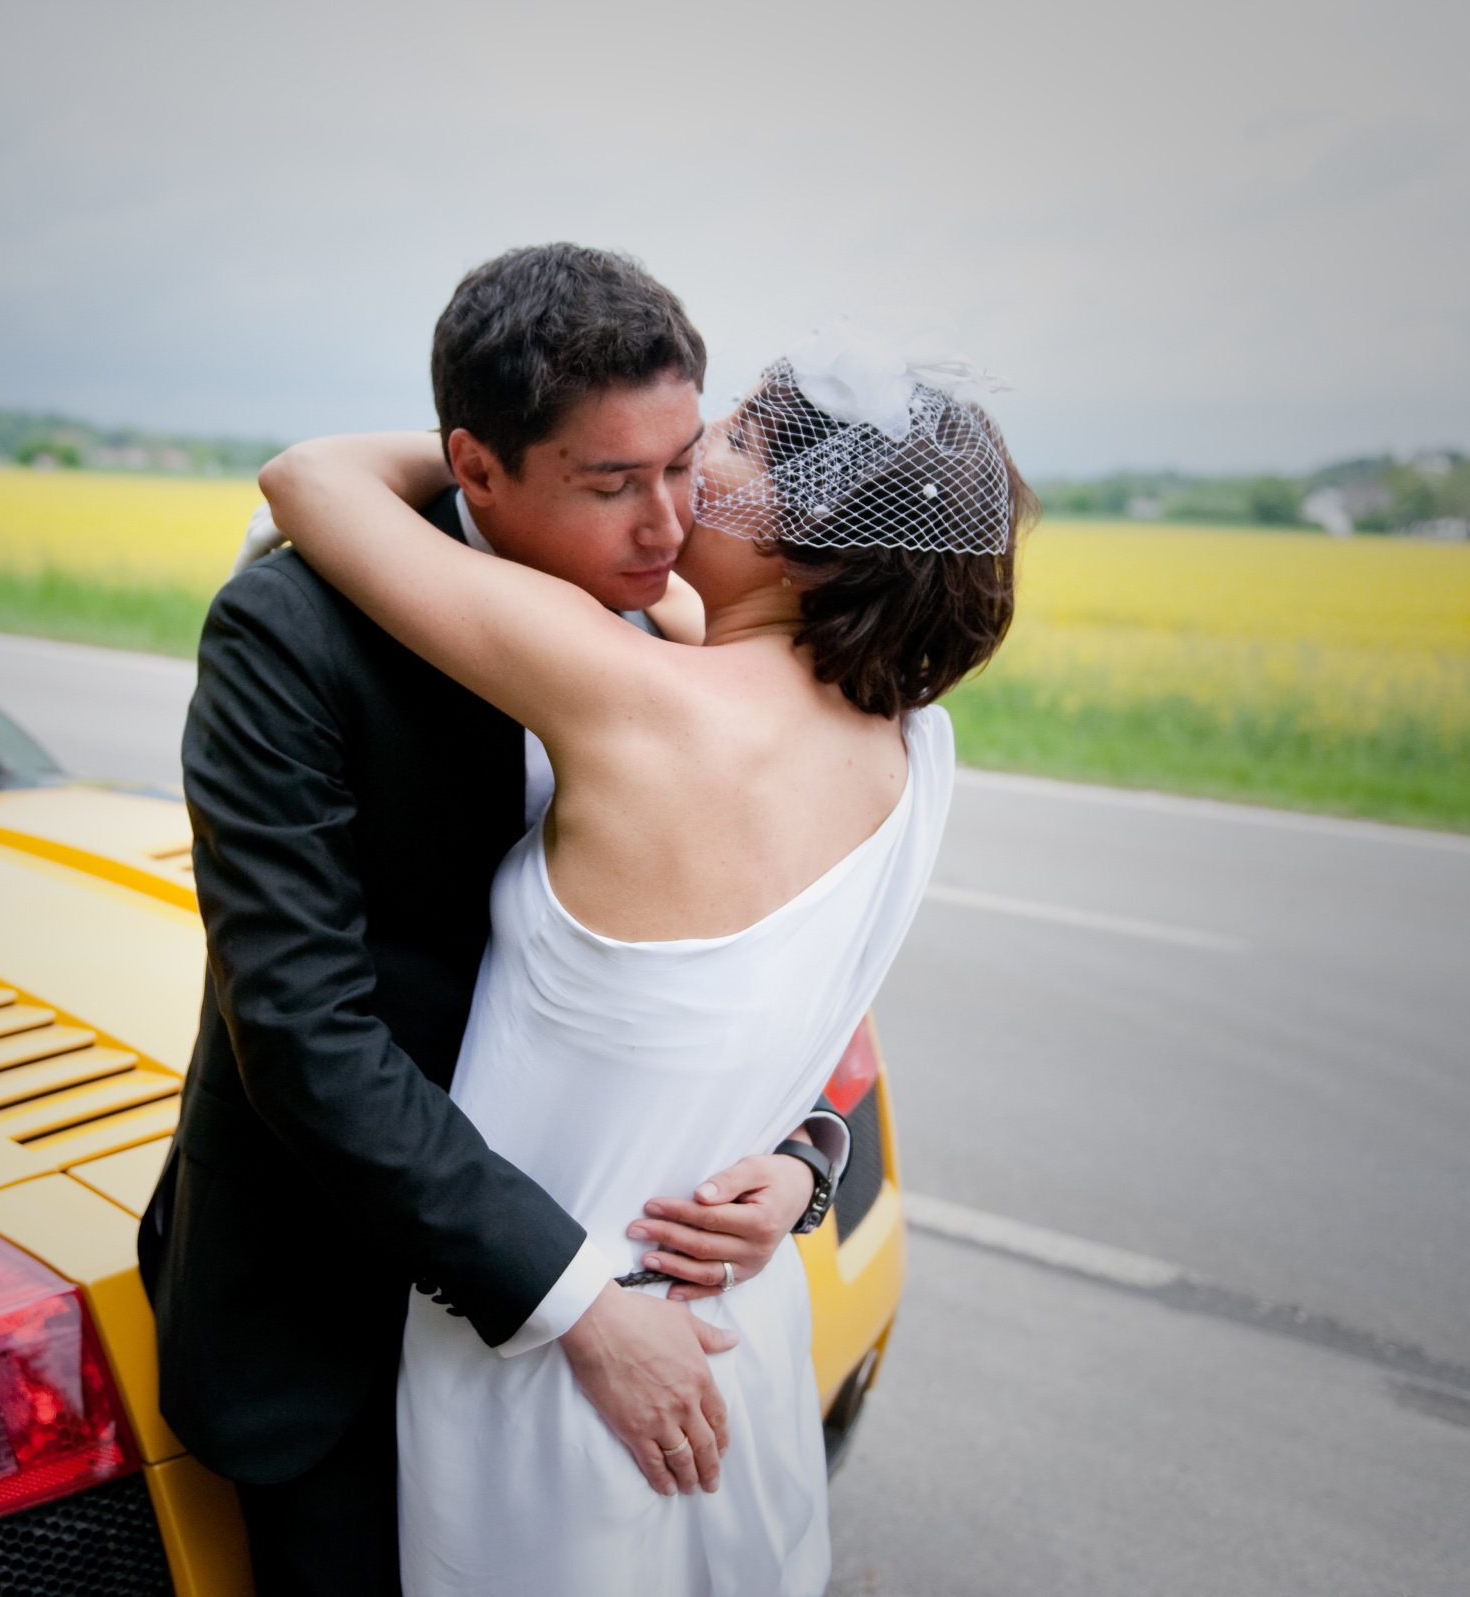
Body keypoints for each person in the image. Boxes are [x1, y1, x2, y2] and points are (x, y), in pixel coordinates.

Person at [258, 313, 1031, 1595]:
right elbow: (786, 1023)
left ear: (794, 534)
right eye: (641, 467)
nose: (676, 477)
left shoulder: (632, 700)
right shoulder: (913, 749)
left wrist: (531, 457)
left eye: (711, 450)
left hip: (558, 1355)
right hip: (740, 1335)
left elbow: (308, 479)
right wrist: (802, 1167)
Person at [137, 245, 854, 1597]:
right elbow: (301, 1029)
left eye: (683, 462)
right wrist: (573, 1303)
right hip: (343, 1308)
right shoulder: (290, 632)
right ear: (472, 468)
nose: (668, 521)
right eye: (609, 481)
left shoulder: (693, 631)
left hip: (634, 1304)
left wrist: (803, 1152)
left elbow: (774, 960)